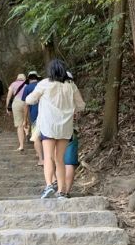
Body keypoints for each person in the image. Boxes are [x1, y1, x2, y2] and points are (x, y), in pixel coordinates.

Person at [24, 59, 85, 199]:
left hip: (48, 126)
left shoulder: (44, 84)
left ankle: (49, 185)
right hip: (65, 128)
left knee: (48, 157)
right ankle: (62, 191)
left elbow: (29, 100)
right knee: (60, 159)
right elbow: (81, 105)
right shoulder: (71, 86)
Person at [21, 71, 42, 166]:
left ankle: (40, 157)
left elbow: (26, 105)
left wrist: (25, 119)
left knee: (36, 136)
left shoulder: (27, 88)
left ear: (28, 79)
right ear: (37, 78)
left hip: (34, 114)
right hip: (46, 113)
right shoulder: (42, 85)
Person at [6, 73, 28, 150]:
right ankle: (27, 133)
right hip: (27, 102)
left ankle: (21, 146)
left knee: (19, 125)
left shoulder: (13, 84)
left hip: (17, 103)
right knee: (26, 121)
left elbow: (9, 96)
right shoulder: (27, 84)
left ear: (17, 78)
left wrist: (7, 107)